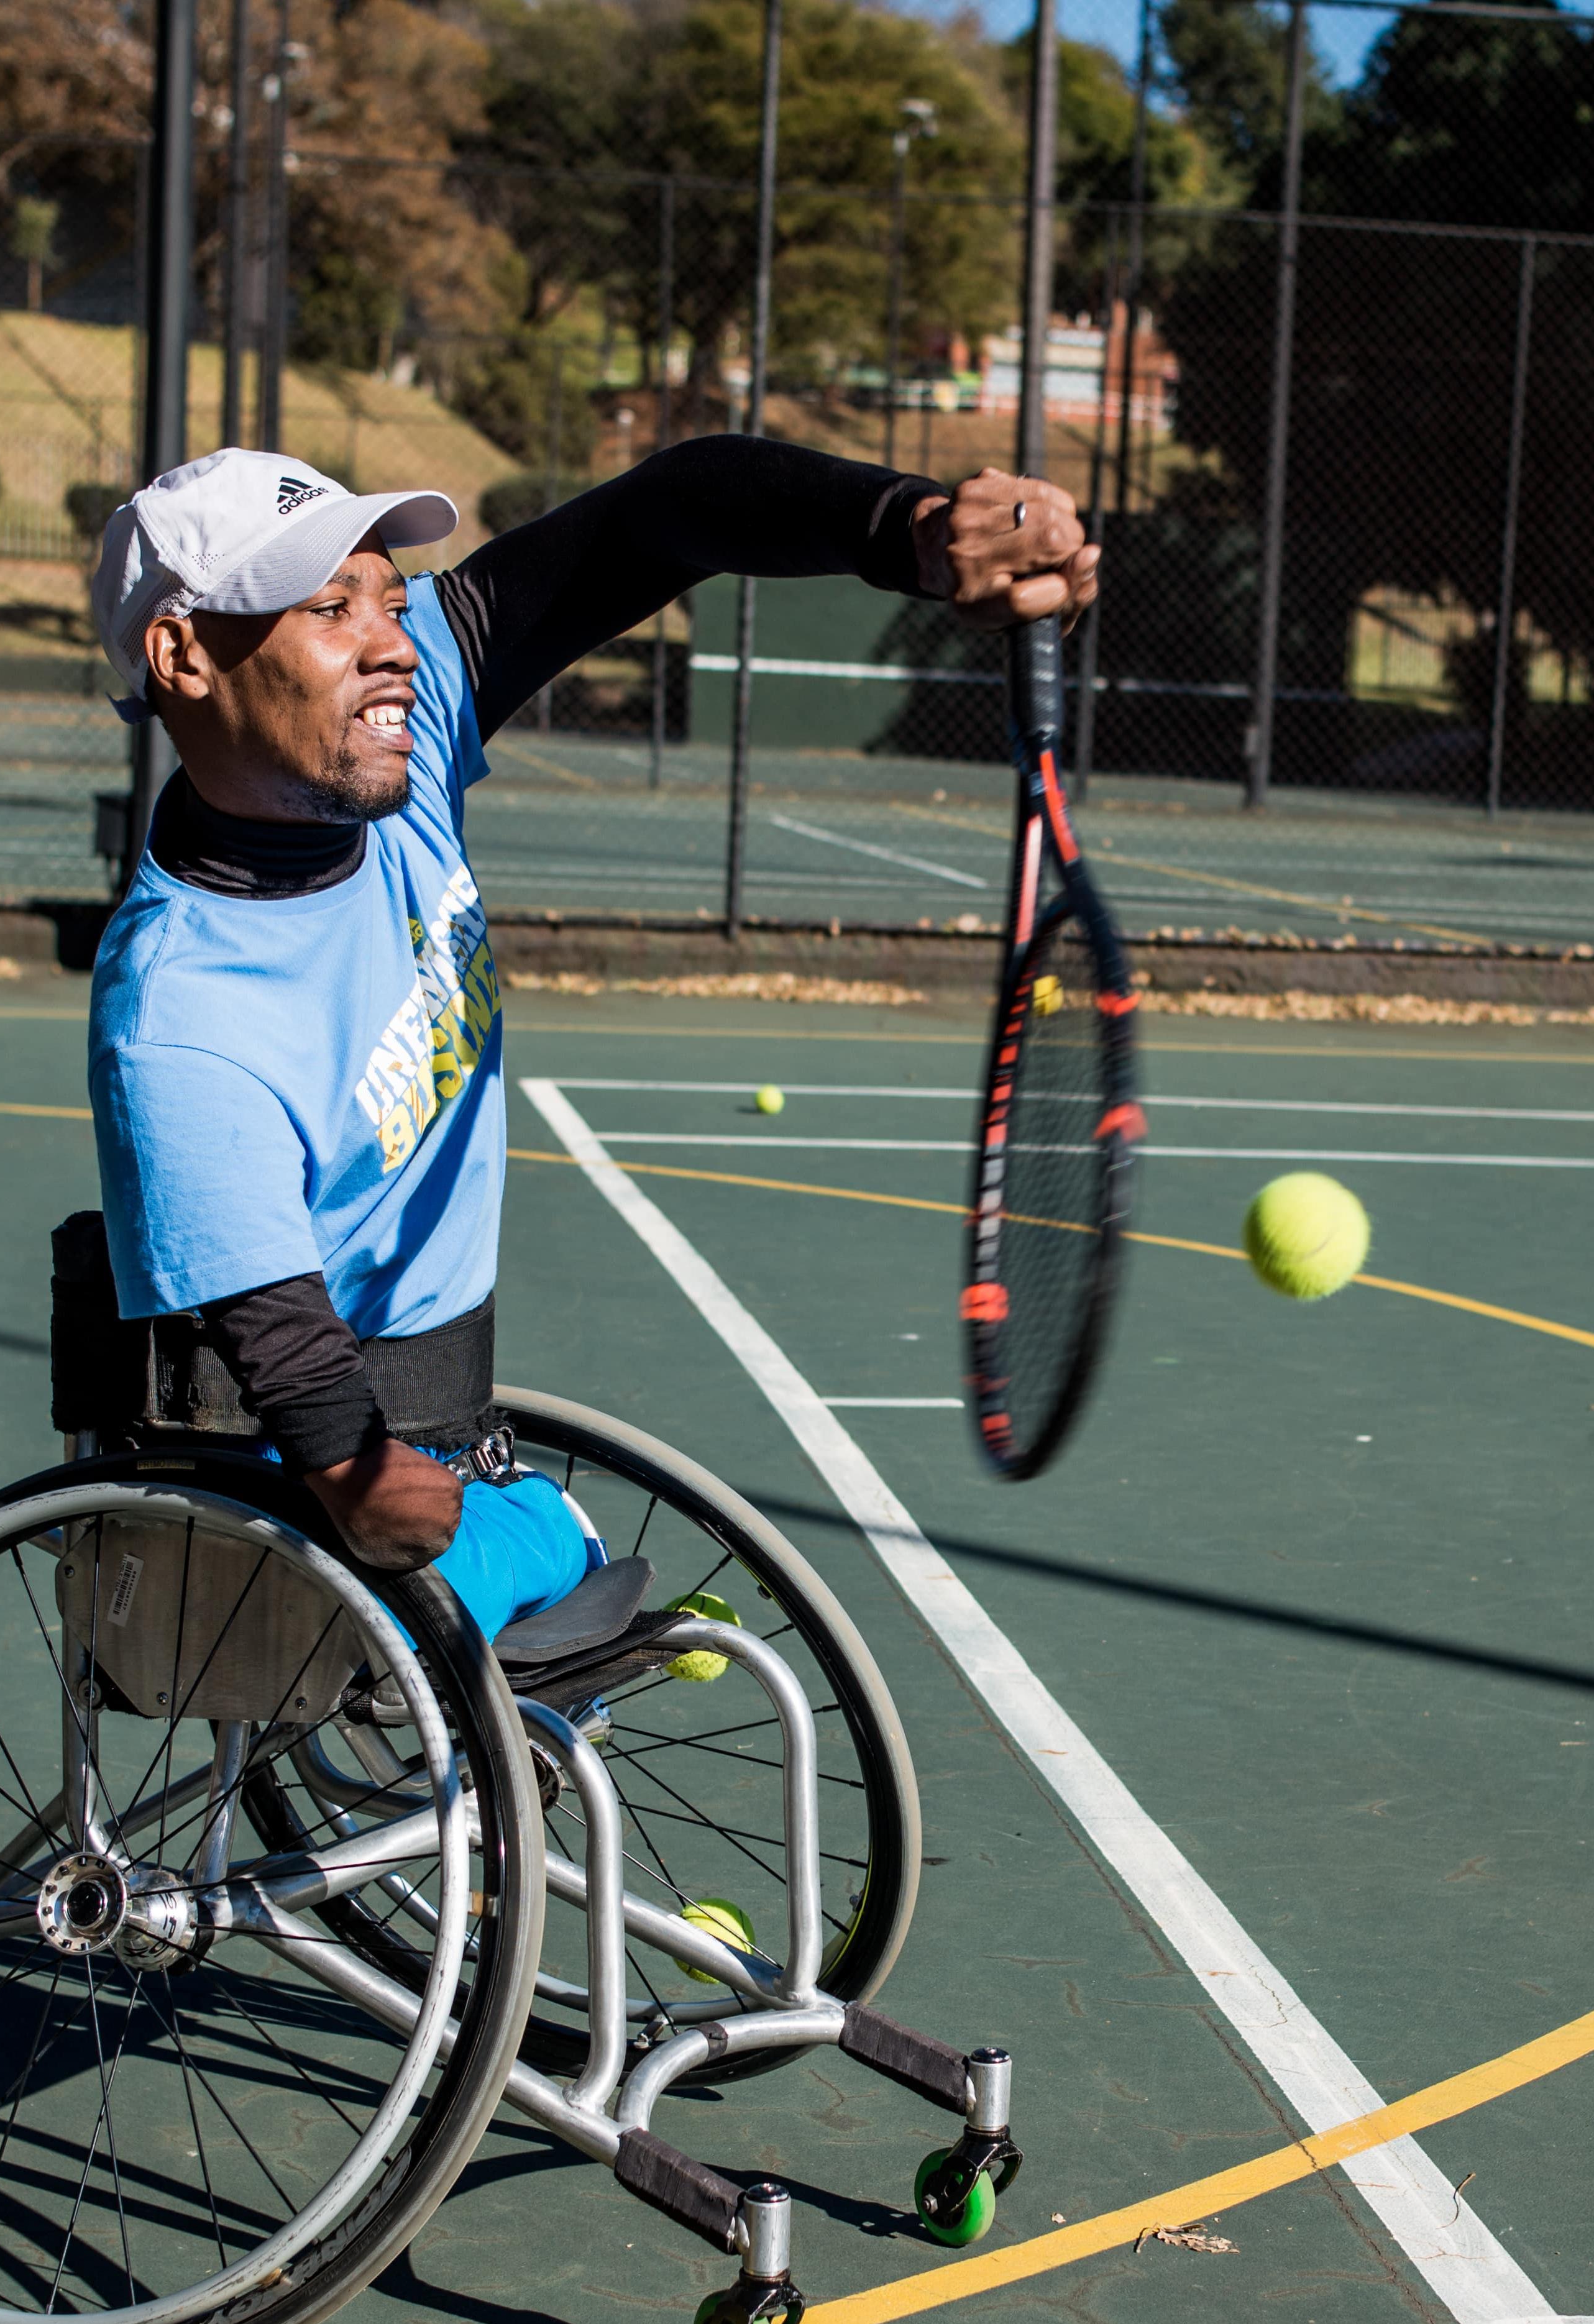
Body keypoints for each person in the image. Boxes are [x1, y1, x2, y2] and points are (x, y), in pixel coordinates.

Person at [86, 438, 1097, 1639]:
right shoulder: (180, 1011)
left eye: (393, 603)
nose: (394, 643)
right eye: (330, 607)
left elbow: (661, 517)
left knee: (560, 1570)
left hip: (455, 1432)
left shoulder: (399, 765)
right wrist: (350, 1458)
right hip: (303, 1487)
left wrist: (912, 530)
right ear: (181, 654)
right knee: (541, 1559)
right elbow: (286, 1357)